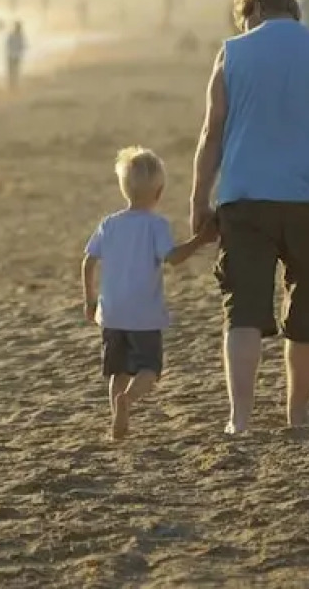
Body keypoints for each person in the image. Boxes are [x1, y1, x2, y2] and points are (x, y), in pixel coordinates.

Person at [190, 0, 309, 436]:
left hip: (245, 199)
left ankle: (241, 418)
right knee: (307, 306)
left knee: (244, 309)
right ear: (293, 12)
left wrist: (198, 199)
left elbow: (212, 133)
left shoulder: (231, 54)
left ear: (253, 13)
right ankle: (297, 411)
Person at [81, 148, 211, 441]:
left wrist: (89, 300)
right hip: (144, 314)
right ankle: (127, 401)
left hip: (111, 312)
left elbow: (88, 261)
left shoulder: (109, 224)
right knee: (149, 369)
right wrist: (200, 240)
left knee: (117, 369)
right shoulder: (156, 225)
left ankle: (118, 419)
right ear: (160, 191)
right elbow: (173, 258)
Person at [5, 21, 27, 92]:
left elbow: (8, 45)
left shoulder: (12, 35)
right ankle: (13, 85)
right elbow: (22, 47)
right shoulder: (20, 36)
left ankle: (12, 85)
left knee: (12, 71)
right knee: (15, 71)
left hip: (12, 55)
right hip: (15, 55)